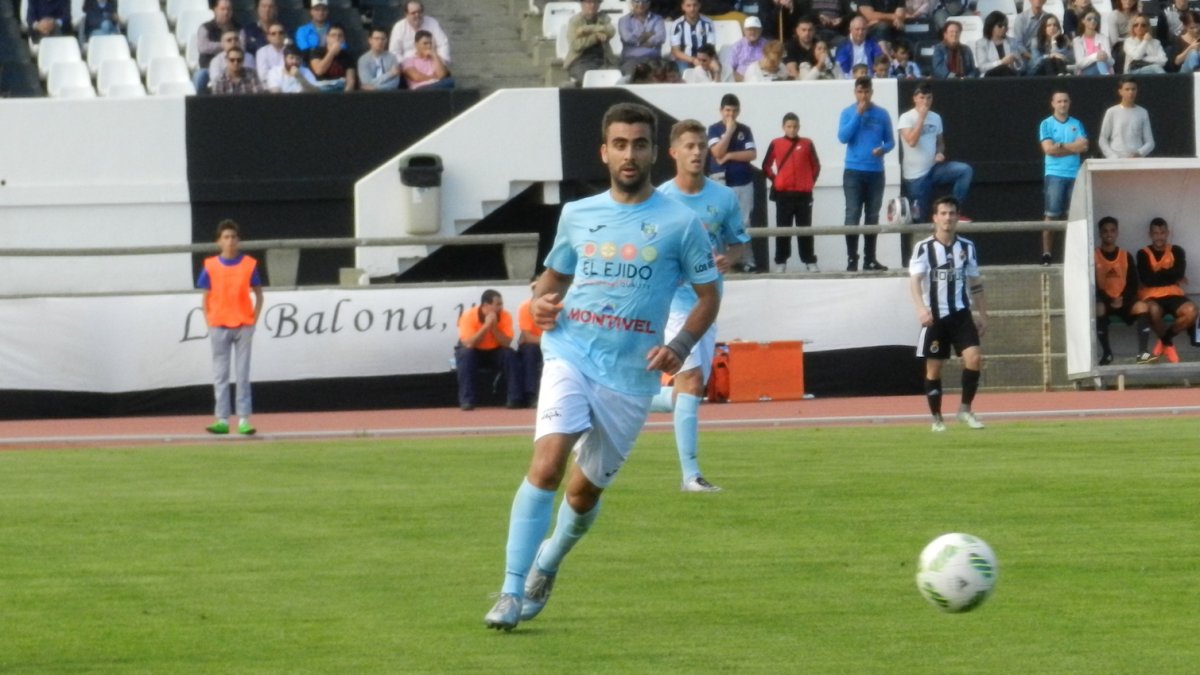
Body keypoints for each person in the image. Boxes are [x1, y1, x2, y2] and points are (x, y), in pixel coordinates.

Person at [482, 103, 720, 631]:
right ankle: (509, 591)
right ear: (604, 152)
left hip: (631, 377)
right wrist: (540, 305)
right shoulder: (577, 214)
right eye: (619, 144)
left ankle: (549, 561)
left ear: (654, 152)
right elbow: (548, 285)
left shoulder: (681, 224)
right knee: (546, 464)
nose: (629, 154)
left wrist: (679, 346)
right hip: (571, 353)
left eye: (639, 144)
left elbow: (708, 296)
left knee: (583, 493)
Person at [656, 118, 748, 493]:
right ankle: (690, 476)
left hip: (708, 302)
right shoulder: (660, 200)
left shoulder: (723, 199)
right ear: (674, 153)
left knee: (689, 389)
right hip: (673, 303)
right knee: (691, 380)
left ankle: (615, 399)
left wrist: (730, 258)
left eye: (701, 146)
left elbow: (739, 243)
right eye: (689, 146)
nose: (697, 152)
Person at [909, 196, 988, 433]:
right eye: (943, 213)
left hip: (961, 313)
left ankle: (965, 409)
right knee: (934, 368)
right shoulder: (923, 248)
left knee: (974, 358)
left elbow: (975, 282)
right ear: (935, 218)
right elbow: (914, 282)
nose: (948, 218)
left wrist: (983, 313)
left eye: (952, 213)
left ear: (957, 217)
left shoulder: (967, 247)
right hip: (935, 316)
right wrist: (921, 309)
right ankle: (937, 418)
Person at [197, 220, 263, 436]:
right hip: (219, 324)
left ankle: (243, 419)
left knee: (243, 373)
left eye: (233, 237)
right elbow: (205, 297)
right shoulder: (210, 265)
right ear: (218, 241)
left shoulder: (249, 264)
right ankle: (222, 419)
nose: (230, 241)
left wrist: (253, 320)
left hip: (243, 324)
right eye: (226, 237)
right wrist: (209, 321)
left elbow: (259, 294)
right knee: (221, 374)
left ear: (239, 240)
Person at [897, 83, 974, 265]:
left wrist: (940, 152)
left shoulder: (936, 118)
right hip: (915, 177)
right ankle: (918, 262)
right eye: (922, 97)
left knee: (964, 170)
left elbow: (940, 142)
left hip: (934, 169)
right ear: (915, 98)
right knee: (919, 221)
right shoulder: (906, 118)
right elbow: (912, 142)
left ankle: (957, 209)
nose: (925, 101)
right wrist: (921, 118)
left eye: (929, 98)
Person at [838, 76, 894, 272]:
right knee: (853, 214)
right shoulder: (847, 112)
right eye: (860, 92)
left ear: (872, 92)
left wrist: (883, 149)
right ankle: (852, 259)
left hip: (875, 171)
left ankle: (870, 259)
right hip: (853, 171)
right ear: (855, 92)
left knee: (872, 215)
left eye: (867, 92)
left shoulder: (882, 114)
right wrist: (858, 115)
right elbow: (843, 137)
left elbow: (891, 141)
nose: (864, 96)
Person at [763, 112, 821, 273]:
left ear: (799, 127)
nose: (792, 129)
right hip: (784, 194)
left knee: (805, 229)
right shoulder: (776, 143)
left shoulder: (807, 143)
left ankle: (810, 260)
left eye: (795, 126)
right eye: (789, 126)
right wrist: (777, 180)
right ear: (783, 127)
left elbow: (816, 166)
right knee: (783, 229)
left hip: (804, 194)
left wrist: (809, 182)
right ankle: (781, 262)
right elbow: (766, 166)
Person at [1136, 218, 1198, 364]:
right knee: (1153, 310)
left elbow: (1180, 272)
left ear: (1167, 233)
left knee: (1192, 311)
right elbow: (1147, 280)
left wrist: (1159, 273)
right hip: (1151, 295)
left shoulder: (1176, 250)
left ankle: (1164, 341)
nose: (1159, 236)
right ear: (1150, 234)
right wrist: (1170, 273)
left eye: (1162, 232)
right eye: (1156, 233)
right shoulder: (1142, 253)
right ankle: (1169, 345)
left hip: (1174, 294)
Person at [708, 93, 758, 271]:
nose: (731, 114)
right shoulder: (714, 129)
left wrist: (730, 155)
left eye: (734, 111)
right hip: (721, 182)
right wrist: (728, 131)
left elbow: (752, 154)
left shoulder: (745, 130)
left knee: (744, 223)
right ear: (721, 110)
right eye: (727, 110)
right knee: (719, 222)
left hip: (743, 182)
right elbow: (717, 152)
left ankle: (747, 261)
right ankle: (721, 262)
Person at [1039, 89, 1087, 266]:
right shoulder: (1046, 124)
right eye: (1059, 101)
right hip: (1055, 175)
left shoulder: (1077, 123)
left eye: (1065, 101)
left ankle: (1075, 255)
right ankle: (1046, 254)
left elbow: (1084, 146)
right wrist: (1071, 147)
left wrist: (1061, 146)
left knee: (1073, 217)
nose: (1062, 104)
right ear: (1052, 103)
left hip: (1075, 175)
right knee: (1050, 215)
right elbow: (1049, 150)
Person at [1094, 216, 1151, 365]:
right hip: (1105, 301)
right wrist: (1109, 300)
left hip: (1124, 300)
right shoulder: (1094, 256)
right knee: (1098, 308)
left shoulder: (1125, 255)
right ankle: (1107, 353)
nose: (1109, 234)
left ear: (1117, 233)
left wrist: (1122, 299)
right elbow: (1091, 284)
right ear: (1099, 233)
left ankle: (1143, 354)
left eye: (1112, 230)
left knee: (1143, 306)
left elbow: (1133, 283)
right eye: (1105, 231)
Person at [455, 290, 522, 410]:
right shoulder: (468, 316)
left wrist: (494, 327)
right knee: (466, 355)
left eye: (501, 304)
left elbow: (506, 343)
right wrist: (486, 327)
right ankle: (467, 400)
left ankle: (514, 399)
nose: (501, 307)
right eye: (497, 304)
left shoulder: (505, 315)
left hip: (495, 351)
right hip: (474, 350)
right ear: (486, 305)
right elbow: (469, 344)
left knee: (510, 355)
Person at [1099, 76, 1155, 159]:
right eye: (1127, 89)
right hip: (1116, 161)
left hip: (1136, 161)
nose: (1131, 92)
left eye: (1133, 89)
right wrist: (1112, 156)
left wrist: (1139, 153)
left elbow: (1150, 142)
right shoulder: (1111, 112)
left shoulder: (1143, 112)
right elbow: (1103, 139)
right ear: (1120, 92)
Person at [563, 0, 617, 85]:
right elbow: (576, 45)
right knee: (590, 79)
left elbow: (611, 31)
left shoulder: (604, 18)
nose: (592, 5)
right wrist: (595, 37)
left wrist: (588, 29)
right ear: (582, 4)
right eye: (588, 2)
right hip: (580, 60)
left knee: (615, 77)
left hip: (603, 59)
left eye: (595, 2)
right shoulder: (575, 21)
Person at [195, 0, 242, 93]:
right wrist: (225, 45)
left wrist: (224, 45)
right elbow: (202, 47)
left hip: (234, 67)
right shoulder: (205, 28)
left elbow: (241, 47)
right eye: (223, 9)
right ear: (215, 9)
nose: (226, 12)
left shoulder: (239, 28)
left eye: (228, 9)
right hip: (207, 68)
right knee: (199, 76)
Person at [618, 0, 666, 76]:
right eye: (637, 1)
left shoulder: (658, 19)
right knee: (630, 77)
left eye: (645, 1)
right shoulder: (623, 20)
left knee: (658, 78)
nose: (641, 4)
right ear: (632, 3)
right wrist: (648, 35)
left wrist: (637, 41)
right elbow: (627, 38)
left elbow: (661, 37)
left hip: (652, 59)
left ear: (649, 3)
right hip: (630, 60)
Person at [515, 283, 543, 409]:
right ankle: (531, 395)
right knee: (529, 352)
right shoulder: (525, 307)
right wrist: (548, 342)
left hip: (552, 344)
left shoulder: (559, 306)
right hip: (536, 344)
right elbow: (527, 337)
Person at [974, 11, 1025, 77]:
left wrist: (1015, 61)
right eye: (1000, 25)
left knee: (1007, 71)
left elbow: (1021, 68)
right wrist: (1001, 62)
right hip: (990, 78)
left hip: (1009, 76)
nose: (1004, 28)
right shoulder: (981, 43)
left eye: (1005, 25)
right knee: (1003, 69)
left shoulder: (1012, 41)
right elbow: (982, 68)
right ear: (991, 26)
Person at [671, 0, 715, 73]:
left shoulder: (708, 23)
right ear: (683, 7)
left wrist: (702, 61)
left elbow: (711, 47)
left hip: (704, 59)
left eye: (695, 5)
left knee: (716, 69)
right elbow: (676, 51)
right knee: (685, 72)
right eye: (688, 6)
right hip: (685, 60)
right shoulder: (677, 24)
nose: (692, 9)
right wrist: (693, 60)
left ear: (699, 6)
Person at [309, 24, 357, 91]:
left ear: (343, 39)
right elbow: (319, 71)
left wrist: (345, 97)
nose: (337, 38)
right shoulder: (316, 52)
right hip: (321, 89)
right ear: (327, 38)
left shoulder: (347, 56)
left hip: (340, 88)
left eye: (340, 35)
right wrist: (332, 52)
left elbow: (351, 80)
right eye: (333, 35)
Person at [1073, 8, 1113, 75]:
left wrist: (1105, 58)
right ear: (1083, 20)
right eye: (1089, 19)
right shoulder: (1077, 40)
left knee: (1101, 62)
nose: (1093, 21)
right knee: (1100, 62)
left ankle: (1105, 75)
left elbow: (1111, 61)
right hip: (1086, 72)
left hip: (1104, 67)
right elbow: (1080, 64)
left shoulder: (1104, 38)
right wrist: (1096, 56)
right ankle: (1106, 77)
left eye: (1095, 19)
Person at [730, 16, 767, 81]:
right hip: (740, 80)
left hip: (761, 80)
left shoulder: (767, 45)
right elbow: (729, 67)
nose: (752, 32)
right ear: (744, 30)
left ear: (761, 30)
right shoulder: (737, 46)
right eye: (749, 29)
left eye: (755, 29)